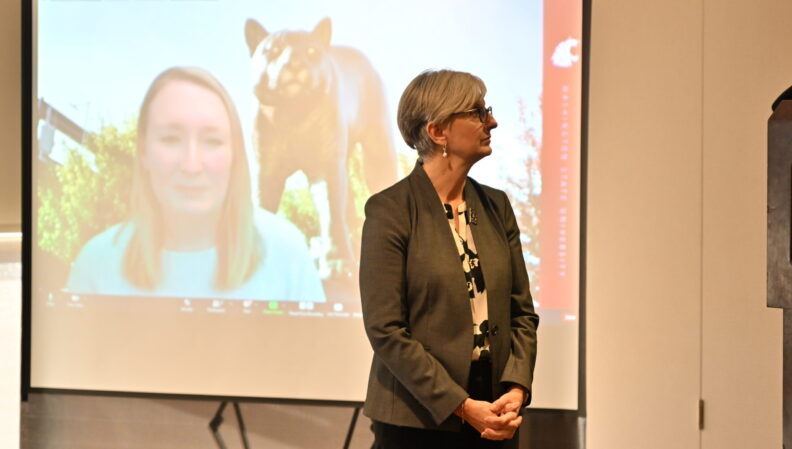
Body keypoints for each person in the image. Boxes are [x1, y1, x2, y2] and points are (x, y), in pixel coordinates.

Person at [359, 69, 539, 448]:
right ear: (438, 132)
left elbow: (521, 312)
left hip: (494, 411)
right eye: (477, 112)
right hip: (416, 420)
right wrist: (461, 405)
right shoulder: (390, 210)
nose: (492, 121)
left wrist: (517, 387)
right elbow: (386, 330)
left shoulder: (496, 206)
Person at [67, 67, 325, 302]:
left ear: (235, 153)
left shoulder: (286, 252)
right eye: (171, 139)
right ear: (143, 151)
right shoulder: (96, 263)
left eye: (212, 141)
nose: (192, 165)